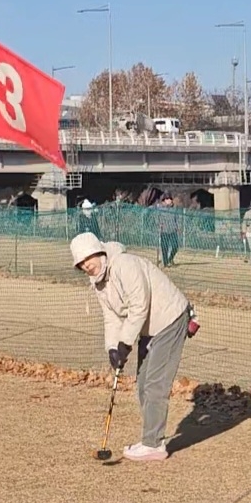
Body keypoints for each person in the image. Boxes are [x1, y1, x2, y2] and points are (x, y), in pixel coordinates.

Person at [70, 231, 191, 461]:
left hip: (169, 319)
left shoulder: (125, 264)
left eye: (88, 258)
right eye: (81, 263)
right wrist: (112, 349)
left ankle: (153, 445)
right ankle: (150, 438)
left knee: (155, 383)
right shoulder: (98, 283)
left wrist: (125, 343)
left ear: (99, 252)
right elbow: (112, 318)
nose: (86, 265)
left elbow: (139, 306)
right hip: (147, 327)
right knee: (143, 382)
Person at [156, 194, 179, 268]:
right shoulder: (160, 209)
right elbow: (157, 218)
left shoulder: (174, 209)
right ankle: (165, 263)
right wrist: (159, 224)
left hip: (173, 231)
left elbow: (177, 219)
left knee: (175, 246)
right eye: (167, 199)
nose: (169, 200)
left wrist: (178, 227)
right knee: (164, 248)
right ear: (164, 200)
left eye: (170, 199)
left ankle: (170, 259)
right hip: (164, 231)